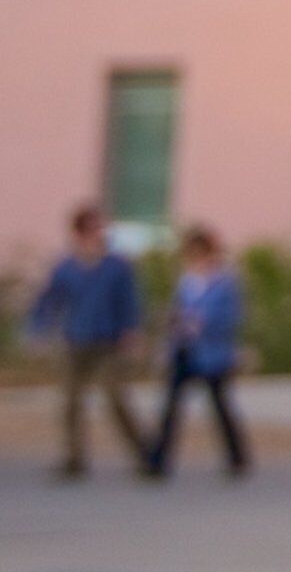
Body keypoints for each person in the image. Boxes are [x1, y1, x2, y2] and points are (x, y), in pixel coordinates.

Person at [24, 204, 149, 480]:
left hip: (109, 342)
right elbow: (48, 301)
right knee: (70, 401)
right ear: (80, 233)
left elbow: (130, 301)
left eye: (100, 228)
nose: (99, 233)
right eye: (93, 229)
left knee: (115, 396)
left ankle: (144, 454)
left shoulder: (116, 266)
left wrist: (133, 331)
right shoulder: (66, 267)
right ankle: (74, 459)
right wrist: (38, 329)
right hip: (76, 340)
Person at [146, 224, 253, 480]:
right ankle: (157, 460)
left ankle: (237, 457)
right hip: (185, 350)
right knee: (171, 406)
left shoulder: (225, 282)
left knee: (219, 405)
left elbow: (232, 317)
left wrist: (204, 323)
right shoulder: (186, 282)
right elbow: (177, 312)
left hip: (212, 353)